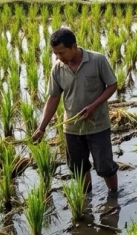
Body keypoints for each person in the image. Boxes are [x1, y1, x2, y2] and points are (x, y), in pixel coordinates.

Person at [32, 28, 119, 193]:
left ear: (74, 47)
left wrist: (94, 106)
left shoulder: (97, 60)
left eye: (62, 52)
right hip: (72, 129)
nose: (59, 57)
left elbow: (112, 85)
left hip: (98, 125)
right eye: (55, 53)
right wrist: (41, 128)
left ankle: (114, 197)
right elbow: (53, 98)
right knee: (79, 168)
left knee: (105, 166)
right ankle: (86, 199)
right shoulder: (58, 68)